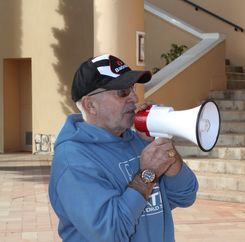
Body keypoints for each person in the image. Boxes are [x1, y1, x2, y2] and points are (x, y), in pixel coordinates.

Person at [49, 54, 198, 242]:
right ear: (90, 105)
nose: (134, 97)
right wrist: (147, 174)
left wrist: (164, 147)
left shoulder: (137, 140)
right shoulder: (73, 160)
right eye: (122, 92)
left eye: (132, 89)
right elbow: (111, 232)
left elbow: (186, 196)